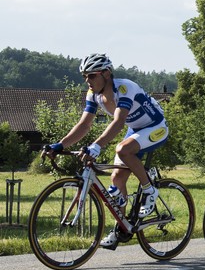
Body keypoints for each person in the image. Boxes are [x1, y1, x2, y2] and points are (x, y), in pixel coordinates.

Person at [44, 53, 169, 249]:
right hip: (135, 129)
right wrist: (59, 145)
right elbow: (84, 124)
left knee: (123, 150)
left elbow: (118, 121)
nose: (88, 80)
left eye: (92, 76)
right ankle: (122, 228)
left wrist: (97, 145)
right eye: (85, 76)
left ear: (106, 74)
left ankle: (149, 189)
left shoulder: (124, 88)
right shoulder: (93, 95)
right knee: (117, 179)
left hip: (155, 126)